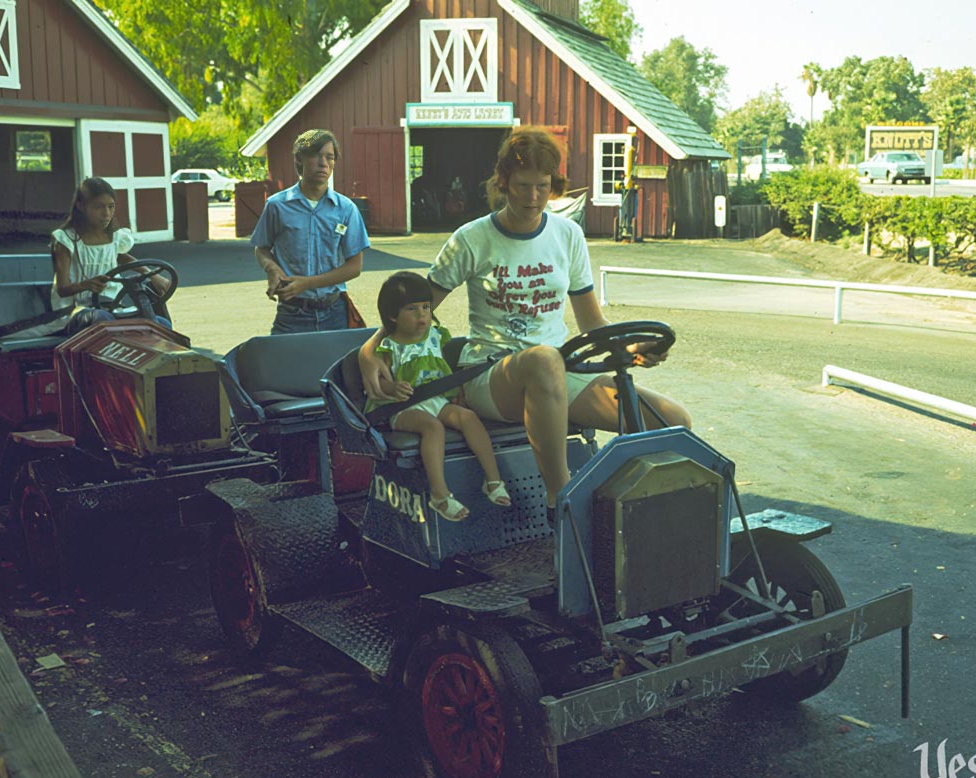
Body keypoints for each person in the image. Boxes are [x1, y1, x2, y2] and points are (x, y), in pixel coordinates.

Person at [360, 126, 691, 514]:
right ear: (503, 183)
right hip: (490, 373)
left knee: (673, 420)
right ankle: (561, 502)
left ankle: (638, 515)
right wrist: (369, 351)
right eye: (522, 186)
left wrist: (630, 349)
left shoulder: (568, 235)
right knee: (543, 359)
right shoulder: (472, 238)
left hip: (558, 372)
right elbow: (411, 306)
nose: (534, 198)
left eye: (543, 186)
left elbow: (591, 323)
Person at [366, 271, 511, 522]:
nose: (422, 314)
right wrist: (393, 388)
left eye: (425, 307)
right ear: (392, 316)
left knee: (467, 417)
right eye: (412, 309)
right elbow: (380, 383)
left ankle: (493, 480)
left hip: (435, 401)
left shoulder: (435, 336)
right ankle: (440, 494)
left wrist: (458, 393)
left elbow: (442, 370)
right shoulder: (388, 346)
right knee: (432, 427)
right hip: (403, 408)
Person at [252, 129, 370, 334]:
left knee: (336, 366)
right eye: (316, 155)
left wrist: (307, 283)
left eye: (330, 157)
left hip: (335, 312)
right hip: (292, 314)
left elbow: (355, 267)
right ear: (299, 159)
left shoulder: (346, 209)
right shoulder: (277, 206)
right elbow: (261, 248)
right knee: (284, 365)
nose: (323, 163)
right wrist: (271, 268)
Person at [50, 177, 171, 335]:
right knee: (104, 320)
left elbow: (123, 258)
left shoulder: (114, 237)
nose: (106, 214)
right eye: (98, 207)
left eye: (111, 207)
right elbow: (62, 289)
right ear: (80, 206)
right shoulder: (65, 240)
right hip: (75, 312)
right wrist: (86, 285)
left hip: (112, 306)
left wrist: (153, 276)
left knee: (161, 324)